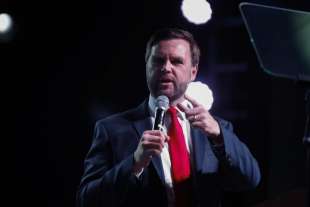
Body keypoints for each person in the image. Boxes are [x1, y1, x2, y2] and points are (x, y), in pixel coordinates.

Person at [76, 28, 261, 207]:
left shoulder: (216, 128)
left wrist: (219, 135)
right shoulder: (112, 129)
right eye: (158, 61)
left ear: (193, 72)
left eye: (177, 61)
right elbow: (87, 200)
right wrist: (134, 163)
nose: (166, 68)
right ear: (146, 66)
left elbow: (250, 179)